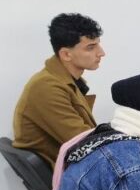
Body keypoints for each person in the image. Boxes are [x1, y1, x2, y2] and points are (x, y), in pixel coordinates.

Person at [12, 13, 105, 166]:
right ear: (66, 54)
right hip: (70, 172)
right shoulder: (46, 87)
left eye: (98, 45)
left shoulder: (64, 81)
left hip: (75, 165)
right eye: (91, 47)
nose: (101, 53)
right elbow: (85, 142)